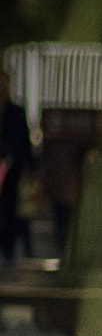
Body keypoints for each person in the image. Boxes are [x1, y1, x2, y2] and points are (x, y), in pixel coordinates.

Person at [0, 70, 33, 263]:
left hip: (12, 169)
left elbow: (24, 140)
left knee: (10, 209)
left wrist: (28, 165)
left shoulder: (16, 111)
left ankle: (8, 248)